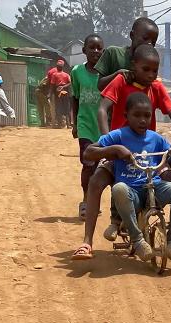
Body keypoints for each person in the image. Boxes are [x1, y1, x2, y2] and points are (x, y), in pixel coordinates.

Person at [72, 44, 171, 260]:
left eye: (155, 70)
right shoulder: (121, 81)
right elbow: (102, 110)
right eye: (147, 69)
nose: (151, 75)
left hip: (147, 152)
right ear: (133, 63)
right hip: (120, 149)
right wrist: (110, 149)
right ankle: (87, 242)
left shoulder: (157, 88)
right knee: (97, 179)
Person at [75, 93, 171, 261]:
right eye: (137, 115)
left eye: (147, 116)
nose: (143, 120)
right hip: (131, 192)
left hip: (154, 188)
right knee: (119, 188)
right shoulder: (118, 135)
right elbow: (89, 152)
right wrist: (114, 150)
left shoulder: (156, 138)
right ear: (126, 115)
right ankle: (137, 240)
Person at [71, 34, 104, 219]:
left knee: (101, 167)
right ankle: (86, 200)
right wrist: (75, 123)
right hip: (85, 125)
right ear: (84, 50)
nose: (96, 51)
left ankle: (94, 200)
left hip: (102, 127)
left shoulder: (107, 73)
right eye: (92, 47)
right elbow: (75, 98)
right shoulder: (76, 71)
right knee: (88, 164)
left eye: (99, 48)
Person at [95, 17, 159, 91]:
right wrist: (118, 75)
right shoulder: (114, 53)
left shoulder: (151, 62)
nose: (149, 44)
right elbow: (100, 86)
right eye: (145, 38)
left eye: (153, 42)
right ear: (132, 35)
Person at [49, 60, 71, 128]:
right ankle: (68, 124)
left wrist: (50, 93)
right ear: (62, 67)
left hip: (58, 93)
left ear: (57, 67)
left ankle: (59, 125)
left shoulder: (54, 74)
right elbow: (70, 83)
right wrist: (64, 87)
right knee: (66, 108)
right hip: (66, 92)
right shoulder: (66, 75)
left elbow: (52, 85)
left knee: (58, 108)